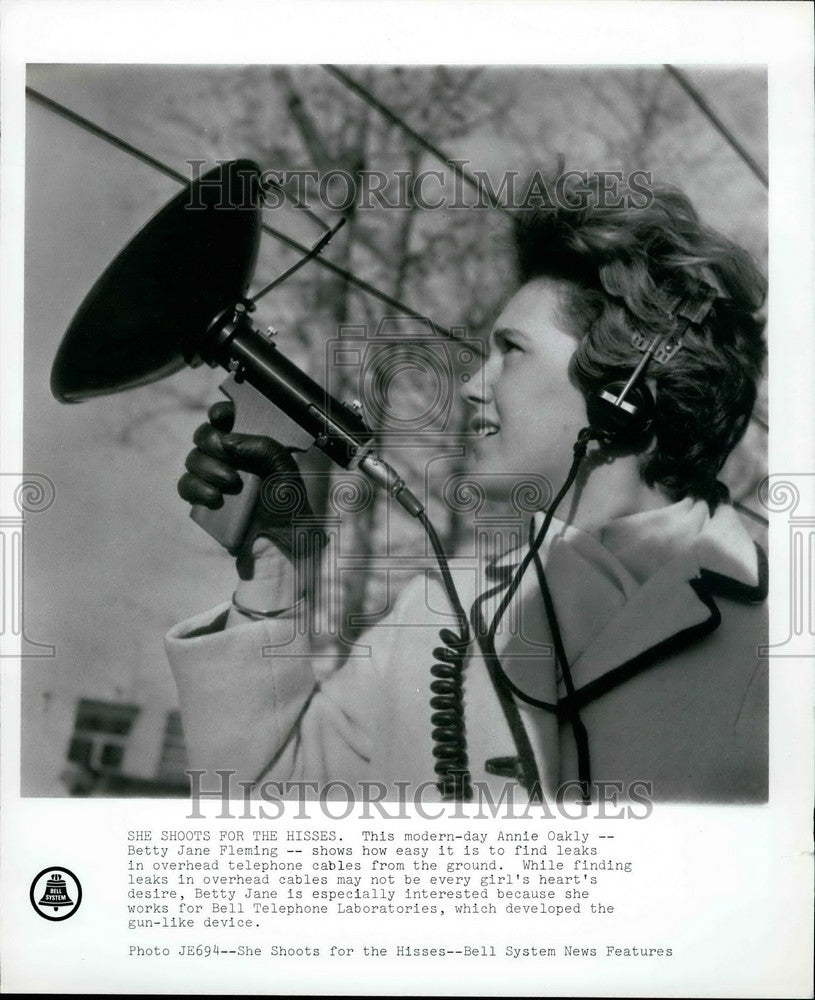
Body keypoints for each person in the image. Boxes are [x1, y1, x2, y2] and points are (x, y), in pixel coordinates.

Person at [166, 181, 768, 805]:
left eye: (511, 351)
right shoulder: (431, 616)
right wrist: (273, 575)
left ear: (625, 392)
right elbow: (266, 808)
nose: (474, 386)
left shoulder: (781, 639)